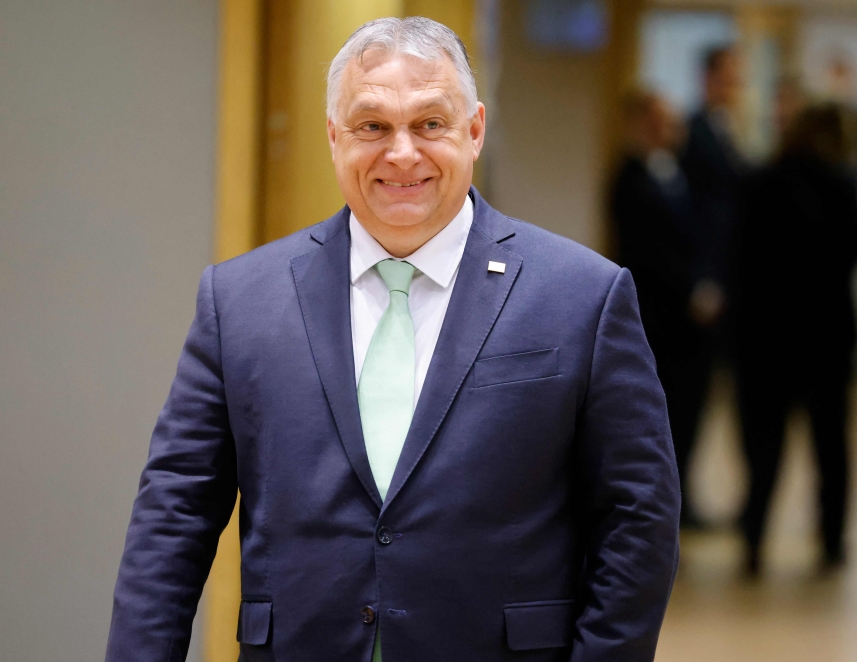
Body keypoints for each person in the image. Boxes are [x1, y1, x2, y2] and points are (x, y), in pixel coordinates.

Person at [105, 17, 680, 662]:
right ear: (333, 137)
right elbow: (173, 516)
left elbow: (638, 521)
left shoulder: (582, 297)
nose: (401, 153)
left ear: (475, 129)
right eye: (372, 126)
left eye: (430, 124)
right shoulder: (239, 301)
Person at [733, 102, 857, 575]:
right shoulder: (842, 183)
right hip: (826, 335)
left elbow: (740, 256)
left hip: (766, 336)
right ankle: (831, 542)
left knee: (762, 446)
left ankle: (753, 540)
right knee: (830, 445)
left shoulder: (760, 181)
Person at [610, 91, 701, 525]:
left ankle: (686, 496)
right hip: (655, 313)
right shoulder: (628, 177)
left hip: (684, 320)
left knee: (688, 412)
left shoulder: (674, 171)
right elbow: (646, 249)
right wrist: (691, 291)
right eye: (660, 120)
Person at [676, 44, 745, 526]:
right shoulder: (697, 132)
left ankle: (688, 494)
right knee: (686, 398)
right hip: (704, 287)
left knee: (705, 400)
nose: (735, 84)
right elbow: (697, 216)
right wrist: (703, 280)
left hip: (724, 280)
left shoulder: (725, 130)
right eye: (728, 75)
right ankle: (679, 498)